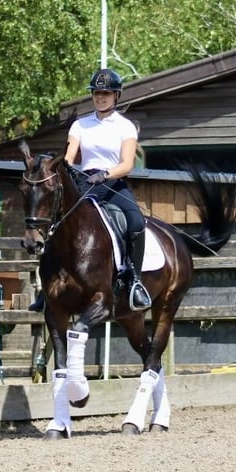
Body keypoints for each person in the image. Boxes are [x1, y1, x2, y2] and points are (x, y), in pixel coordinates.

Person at [63, 68, 152, 311]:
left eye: (105, 93)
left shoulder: (125, 127)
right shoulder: (80, 125)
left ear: (116, 95)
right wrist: (71, 172)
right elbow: (69, 158)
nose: (100, 97)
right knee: (58, 222)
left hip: (113, 182)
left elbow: (127, 164)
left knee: (135, 221)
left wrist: (105, 174)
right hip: (84, 182)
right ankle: (51, 280)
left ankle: (134, 281)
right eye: (96, 93)